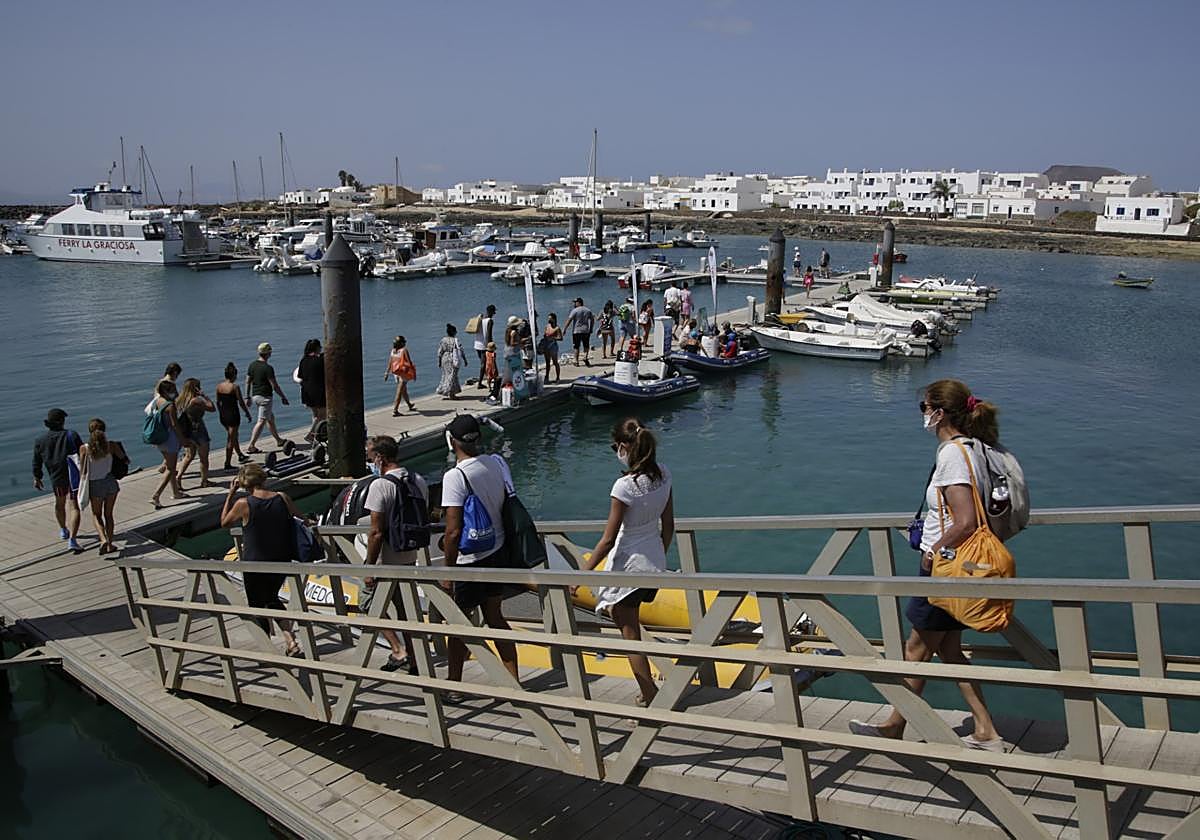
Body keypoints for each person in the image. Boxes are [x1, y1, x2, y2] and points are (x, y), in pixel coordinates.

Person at [849, 379, 1003, 752]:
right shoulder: (977, 449)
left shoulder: (952, 454)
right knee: (947, 649)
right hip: (962, 570)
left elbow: (965, 519)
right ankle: (982, 730)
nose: (922, 415)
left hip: (947, 568)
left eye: (924, 407)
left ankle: (896, 725)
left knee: (916, 648)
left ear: (940, 412)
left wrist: (935, 549)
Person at [576, 419, 673, 706]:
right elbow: (668, 524)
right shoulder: (665, 475)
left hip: (629, 564)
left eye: (615, 447)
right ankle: (650, 688)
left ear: (625, 447)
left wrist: (582, 575)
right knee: (627, 622)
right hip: (653, 560)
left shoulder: (624, 487)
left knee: (628, 632)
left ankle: (649, 695)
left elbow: (607, 540)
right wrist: (660, 556)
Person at [439, 414, 523, 689]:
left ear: (453, 442)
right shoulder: (496, 462)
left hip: (469, 561)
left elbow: (452, 531)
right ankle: (512, 680)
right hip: (496, 550)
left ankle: (454, 685)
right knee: (496, 617)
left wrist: (448, 570)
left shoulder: (455, 476)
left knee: (459, 626)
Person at [219, 463, 302, 657]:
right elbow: (301, 519)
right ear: (263, 479)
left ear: (244, 484)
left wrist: (230, 496)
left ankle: (269, 649)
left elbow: (224, 522)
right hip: (281, 558)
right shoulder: (282, 498)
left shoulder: (243, 504)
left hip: (254, 561)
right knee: (271, 598)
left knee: (258, 603)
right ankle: (290, 641)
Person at [362, 435, 428, 673]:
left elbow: (376, 532)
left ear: (380, 457)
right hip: (410, 557)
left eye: (370, 456)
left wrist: (369, 567)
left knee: (368, 604)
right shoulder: (418, 480)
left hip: (385, 561)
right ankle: (415, 658)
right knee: (406, 610)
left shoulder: (380, 485)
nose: (369, 461)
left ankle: (398, 650)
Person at [32, 408, 83, 551]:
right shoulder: (72, 435)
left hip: (56, 476)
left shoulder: (40, 440)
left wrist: (37, 477)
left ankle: (63, 529)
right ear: (62, 421)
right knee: (74, 506)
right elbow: (82, 454)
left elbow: (37, 461)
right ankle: (73, 540)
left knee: (59, 504)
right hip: (73, 476)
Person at [79, 418, 124, 554]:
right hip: (110, 482)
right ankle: (110, 544)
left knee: (96, 514)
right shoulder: (111, 445)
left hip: (95, 484)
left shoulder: (84, 449)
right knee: (109, 515)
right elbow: (124, 459)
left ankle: (103, 539)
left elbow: (83, 471)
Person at [245, 342, 291, 455]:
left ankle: (278, 440)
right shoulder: (268, 368)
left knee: (270, 418)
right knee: (261, 421)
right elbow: (274, 385)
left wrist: (247, 396)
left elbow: (247, 381)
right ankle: (251, 445)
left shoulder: (252, 365)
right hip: (265, 397)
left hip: (255, 396)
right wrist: (283, 397)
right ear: (268, 353)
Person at [148, 379, 188, 509]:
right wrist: (182, 439)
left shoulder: (157, 402)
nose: (175, 393)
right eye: (172, 390)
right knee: (171, 469)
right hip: (170, 437)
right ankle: (156, 495)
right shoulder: (170, 406)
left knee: (170, 465)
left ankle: (176, 492)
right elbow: (174, 424)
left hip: (161, 437)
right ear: (167, 391)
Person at [176, 378, 215, 488]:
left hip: (187, 431)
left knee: (189, 456)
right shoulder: (196, 400)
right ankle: (204, 481)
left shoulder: (181, 400)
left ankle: (178, 477)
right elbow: (212, 408)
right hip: (199, 430)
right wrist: (204, 396)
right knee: (203, 458)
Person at [216, 363, 252, 470]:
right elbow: (241, 402)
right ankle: (227, 463)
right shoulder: (234, 387)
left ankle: (240, 454)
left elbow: (218, 402)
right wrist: (247, 413)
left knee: (233, 436)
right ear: (234, 375)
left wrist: (220, 413)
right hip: (233, 415)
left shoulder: (219, 386)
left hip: (223, 415)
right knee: (230, 440)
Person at [297, 339, 326, 442]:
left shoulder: (303, 360)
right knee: (322, 414)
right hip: (318, 391)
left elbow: (300, 376)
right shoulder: (320, 361)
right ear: (317, 348)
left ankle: (317, 436)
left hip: (306, 391)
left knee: (315, 415)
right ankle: (311, 435)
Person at [386, 335, 418, 415]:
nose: (405, 343)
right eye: (404, 342)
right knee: (399, 391)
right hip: (403, 373)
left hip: (396, 373)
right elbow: (409, 362)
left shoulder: (393, 351)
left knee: (404, 390)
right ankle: (395, 410)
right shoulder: (404, 350)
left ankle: (409, 404)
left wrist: (387, 372)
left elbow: (390, 362)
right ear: (401, 343)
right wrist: (413, 372)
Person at [562, 297, 594, 366]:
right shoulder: (588, 310)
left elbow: (569, 320)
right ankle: (585, 357)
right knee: (586, 345)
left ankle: (576, 361)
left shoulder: (575, 311)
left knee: (576, 346)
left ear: (579, 303)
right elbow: (592, 319)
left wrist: (564, 329)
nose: (574, 304)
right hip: (586, 330)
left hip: (577, 331)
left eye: (575, 302)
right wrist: (591, 328)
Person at [436, 323, 465, 399]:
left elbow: (440, 351)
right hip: (453, 358)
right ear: (453, 332)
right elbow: (461, 350)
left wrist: (439, 361)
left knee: (446, 375)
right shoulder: (455, 340)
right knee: (452, 376)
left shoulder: (443, 340)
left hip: (444, 358)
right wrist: (464, 359)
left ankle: (446, 391)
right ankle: (451, 394)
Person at [474, 304, 497, 388]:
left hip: (477, 344)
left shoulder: (480, 319)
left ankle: (490, 378)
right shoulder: (490, 321)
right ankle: (480, 383)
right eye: (494, 312)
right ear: (491, 311)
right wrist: (490, 346)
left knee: (485, 364)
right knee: (484, 364)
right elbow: (489, 334)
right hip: (484, 345)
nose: (494, 313)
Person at [541, 313, 563, 383]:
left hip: (553, 346)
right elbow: (545, 334)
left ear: (554, 319)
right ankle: (547, 377)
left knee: (555, 362)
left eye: (550, 318)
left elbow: (560, 338)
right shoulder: (547, 326)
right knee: (547, 362)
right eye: (548, 318)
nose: (549, 319)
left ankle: (558, 377)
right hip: (546, 346)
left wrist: (553, 337)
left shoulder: (557, 328)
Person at [483, 341, 500, 405]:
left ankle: (489, 387)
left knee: (489, 377)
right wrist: (494, 368)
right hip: (492, 366)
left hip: (487, 366)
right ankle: (495, 387)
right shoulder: (493, 354)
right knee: (495, 376)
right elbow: (493, 361)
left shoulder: (486, 353)